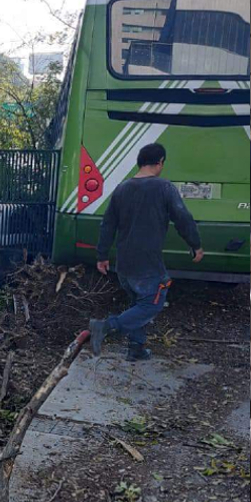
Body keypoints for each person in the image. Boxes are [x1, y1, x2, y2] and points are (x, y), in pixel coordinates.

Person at [89, 143, 203, 361]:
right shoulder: (163, 187)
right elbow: (183, 218)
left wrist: (102, 256)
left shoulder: (122, 189)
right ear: (160, 162)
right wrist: (195, 245)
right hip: (147, 263)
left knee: (137, 304)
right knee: (152, 303)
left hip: (124, 264)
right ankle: (105, 326)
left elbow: (107, 225)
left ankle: (136, 348)